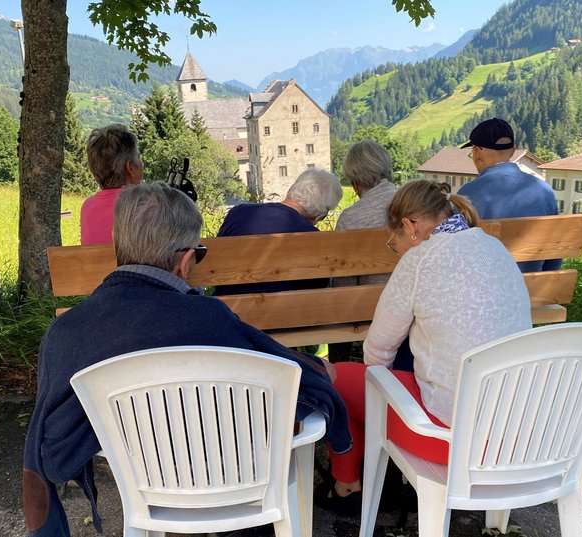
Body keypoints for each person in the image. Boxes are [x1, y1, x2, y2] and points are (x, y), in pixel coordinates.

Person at [23, 182, 351, 537]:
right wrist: (323, 369)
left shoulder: (66, 332)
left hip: (147, 487)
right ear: (184, 260)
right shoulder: (208, 319)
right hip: (233, 485)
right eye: (200, 253)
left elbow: (46, 444)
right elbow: (295, 378)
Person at [315, 179, 532, 516]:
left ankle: (347, 487)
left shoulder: (421, 258)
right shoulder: (495, 248)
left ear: (410, 225)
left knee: (340, 377)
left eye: (394, 240)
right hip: (517, 431)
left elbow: (376, 353)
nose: (397, 248)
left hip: (452, 438)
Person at [215, 168, 343, 295]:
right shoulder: (313, 237)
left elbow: (216, 263)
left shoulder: (238, 213)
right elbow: (318, 285)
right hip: (287, 312)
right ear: (319, 216)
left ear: (291, 191)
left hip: (227, 311)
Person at [328, 139, 401, 363]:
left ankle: (338, 371)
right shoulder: (418, 205)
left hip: (372, 310)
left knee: (338, 304)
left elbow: (344, 285)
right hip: (415, 305)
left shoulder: (351, 217)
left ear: (356, 181)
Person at [457, 117, 560, 272]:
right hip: (533, 292)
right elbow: (554, 258)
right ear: (513, 150)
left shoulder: (468, 194)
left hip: (488, 293)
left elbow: (456, 253)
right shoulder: (545, 191)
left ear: (477, 152)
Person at [80, 124, 144, 245]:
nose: (142, 164)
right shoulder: (145, 204)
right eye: (139, 158)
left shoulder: (87, 207)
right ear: (130, 168)